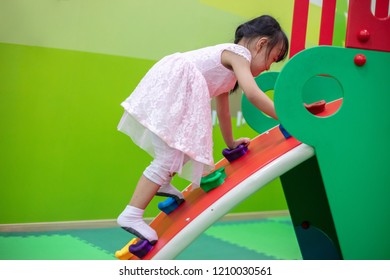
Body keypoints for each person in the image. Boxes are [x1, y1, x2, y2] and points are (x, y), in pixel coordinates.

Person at [117, 15, 289, 244]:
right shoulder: (239, 54)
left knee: (182, 145)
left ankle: (162, 182)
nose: (269, 67)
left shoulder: (230, 68)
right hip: (175, 84)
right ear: (261, 44)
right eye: (273, 59)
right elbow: (254, 93)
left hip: (177, 86)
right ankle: (132, 214)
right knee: (169, 156)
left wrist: (231, 142)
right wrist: (287, 116)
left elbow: (224, 111)